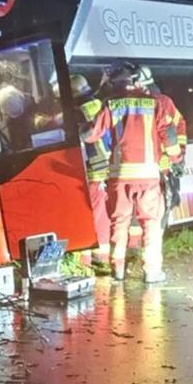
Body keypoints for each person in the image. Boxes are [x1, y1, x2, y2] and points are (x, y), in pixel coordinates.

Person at [84, 62, 177, 282]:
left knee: (120, 222)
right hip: (148, 176)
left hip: (120, 176)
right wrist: (175, 159)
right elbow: (170, 137)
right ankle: (152, 272)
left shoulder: (112, 104)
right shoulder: (155, 104)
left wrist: (77, 128)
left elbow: (90, 135)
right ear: (136, 81)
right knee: (150, 223)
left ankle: (118, 269)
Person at [137, 65, 187, 229]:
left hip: (156, 167)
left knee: (157, 209)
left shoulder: (159, 103)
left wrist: (177, 158)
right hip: (155, 167)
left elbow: (175, 130)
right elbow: (179, 127)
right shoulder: (163, 101)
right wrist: (179, 158)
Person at [71, 74, 112, 264]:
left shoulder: (76, 111)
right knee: (101, 213)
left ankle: (84, 260)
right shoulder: (99, 105)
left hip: (90, 169)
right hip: (107, 165)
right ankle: (103, 256)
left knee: (88, 214)